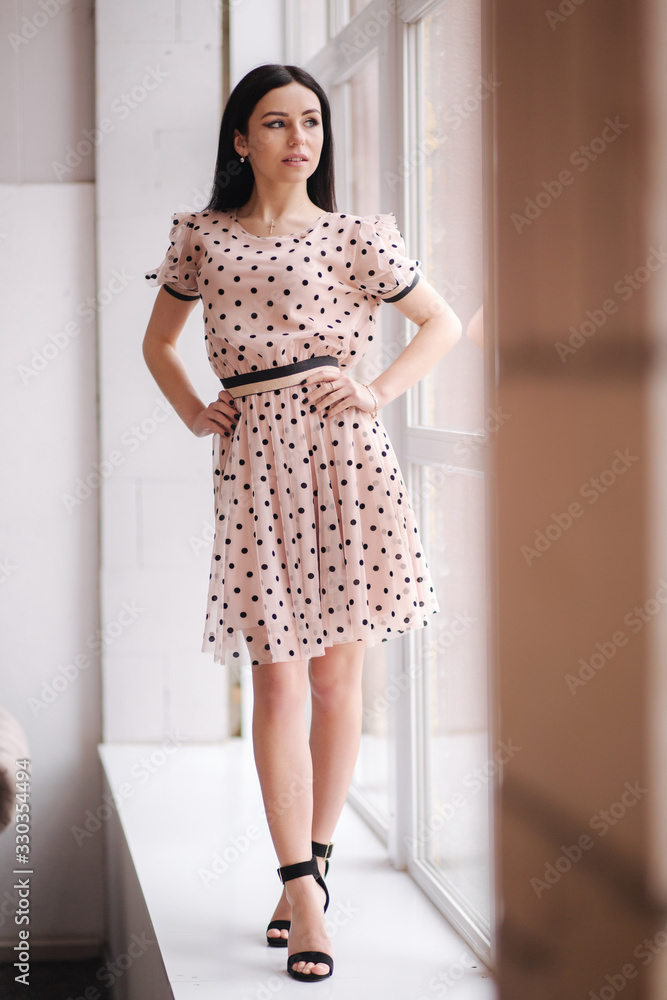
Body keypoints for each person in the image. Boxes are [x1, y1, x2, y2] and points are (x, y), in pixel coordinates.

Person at [143, 63, 462, 983]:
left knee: (334, 682)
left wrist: (376, 391)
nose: (299, 139)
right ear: (240, 140)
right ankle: (305, 890)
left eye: (311, 122)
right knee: (276, 684)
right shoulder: (202, 237)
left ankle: (305, 880)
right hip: (252, 470)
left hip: (346, 461)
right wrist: (193, 408)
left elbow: (438, 323)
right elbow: (158, 342)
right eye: (276, 123)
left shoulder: (358, 237)